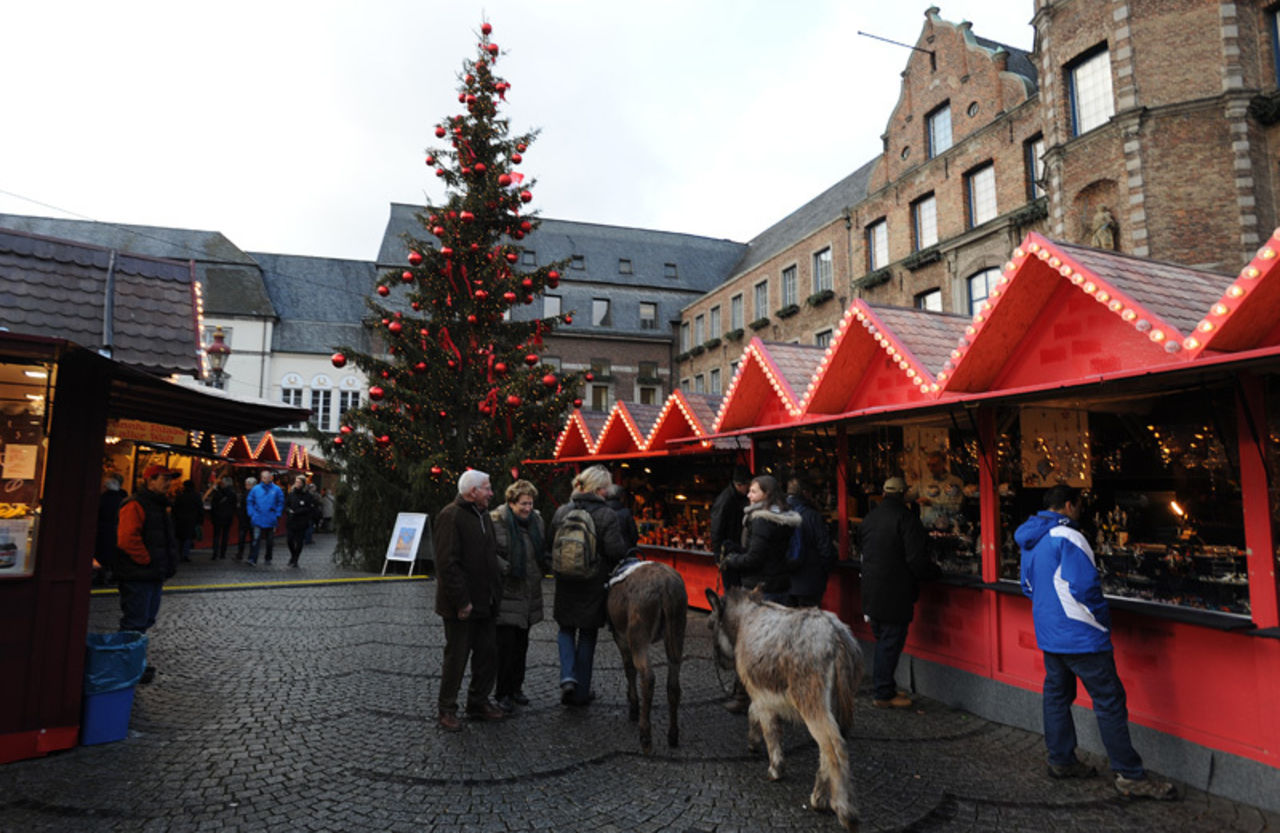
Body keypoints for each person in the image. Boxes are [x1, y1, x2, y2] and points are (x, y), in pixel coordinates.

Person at [1017, 485, 1177, 799]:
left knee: (1056, 697)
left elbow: (1027, 586)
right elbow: (1086, 587)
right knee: (1109, 702)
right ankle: (1130, 775)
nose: (1081, 510)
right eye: (1079, 505)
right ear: (1068, 505)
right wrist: (1100, 620)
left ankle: (1061, 760)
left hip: (1050, 633)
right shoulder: (1070, 536)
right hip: (1081, 634)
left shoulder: (1030, 539)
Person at [719, 474, 801, 713]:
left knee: (749, 646)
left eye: (754, 491)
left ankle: (744, 697)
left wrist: (733, 560)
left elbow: (756, 558)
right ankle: (777, 695)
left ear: (766, 494)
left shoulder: (761, 520)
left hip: (760, 588)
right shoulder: (784, 518)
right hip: (780, 585)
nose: (748, 494)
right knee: (776, 646)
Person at [550, 465, 627, 707]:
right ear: (600, 489)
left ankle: (567, 676)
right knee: (586, 635)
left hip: (564, 581)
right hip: (593, 582)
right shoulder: (606, 515)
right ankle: (581, 692)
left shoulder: (562, 511)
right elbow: (615, 551)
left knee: (565, 629)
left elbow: (548, 546)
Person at [434, 469, 505, 730]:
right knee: (457, 657)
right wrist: (461, 601)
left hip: (486, 601)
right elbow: (447, 563)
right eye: (487, 488)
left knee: (487, 654)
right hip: (461, 605)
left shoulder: (483, 515)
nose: (491, 492)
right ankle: (447, 709)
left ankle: (478, 701)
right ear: (473, 491)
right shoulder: (450, 516)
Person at [859, 476, 938, 709]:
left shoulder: (870, 518)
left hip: (871, 591)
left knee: (883, 641)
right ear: (903, 494)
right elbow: (916, 560)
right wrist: (934, 572)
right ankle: (883, 693)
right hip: (895, 592)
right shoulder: (906, 519)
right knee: (889, 643)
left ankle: (885, 688)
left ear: (884, 493)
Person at [115, 464, 180, 684]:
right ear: (150, 480)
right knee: (135, 621)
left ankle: (135, 663)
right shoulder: (135, 504)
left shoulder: (159, 505)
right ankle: (127, 666)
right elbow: (126, 539)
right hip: (139, 574)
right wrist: (147, 560)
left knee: (144, 620)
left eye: (169, 478)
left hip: (151, 574)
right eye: (164, 478)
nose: (168, 482)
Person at [490, 479, 548, 712]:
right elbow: (489, 553)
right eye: (523, 504)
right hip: (507, 593)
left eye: (530, 503)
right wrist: (505, 568)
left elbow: (539, 552)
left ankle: (517, 688)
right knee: (505, 647)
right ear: (511, 503)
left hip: (529, 593)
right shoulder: (497, 522)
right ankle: (502, 691)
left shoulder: (537, 521)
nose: (527, 508)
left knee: (522, 645)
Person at [784, 474, 835, 607]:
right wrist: (823, 573)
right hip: (810, 583)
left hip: (785, 582)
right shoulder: (812, 516)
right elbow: (826, 550)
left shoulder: (779, 513)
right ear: (805, 493)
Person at [709, 465, 752, 586]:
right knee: (732, 588)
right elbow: (716, 529)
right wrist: (718, 556)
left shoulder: (737, 497)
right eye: (748, 485)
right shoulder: (725, 500)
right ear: (739, 485)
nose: (749, 490)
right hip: (729, 551)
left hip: (735, 550)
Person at [908, 450, 965, 530]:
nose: (930, 469)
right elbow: (908, 496)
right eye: (929, 465)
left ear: (944, 463)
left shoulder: (955, 482)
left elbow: (956, 507)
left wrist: (932, 503)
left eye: (934, 465)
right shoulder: (923, 482)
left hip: (949, 529)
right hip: (927, 528)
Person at [246, 470, 285, 566]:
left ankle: (268, 558)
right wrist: (251, 513)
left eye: (268, 477)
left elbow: (281, 502)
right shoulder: (256, 489)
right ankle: (253, 559)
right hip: (258, 518)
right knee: (256, 539)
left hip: (270, 518)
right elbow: (250, 502)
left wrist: (277, 514)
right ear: (261, 478)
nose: (266, 479)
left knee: (269, 541)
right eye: (264, 477)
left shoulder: (277, 489)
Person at [94, 473, 127, 585]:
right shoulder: (122, 500)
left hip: (102, 529)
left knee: (101, 554)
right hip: (117, 529)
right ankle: (113, 574)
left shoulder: (102, 499)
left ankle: (101, 575)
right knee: (114, 554)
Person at [284, 475, 319, 568]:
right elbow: (286, 505)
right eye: (296, 482)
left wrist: (299, 511)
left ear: (303, 484)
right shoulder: (291, 494)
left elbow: (309, 508)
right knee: (289, 540)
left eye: (299, 482)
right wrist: (288, 511)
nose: (297, 484)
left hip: (301, 521)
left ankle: (295, 559)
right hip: (291, 521)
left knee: (299, 541)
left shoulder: (307, 496)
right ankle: (293, 555)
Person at [205, 476, 238, 560]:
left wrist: (213, 516)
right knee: (225, 536)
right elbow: (234, 506)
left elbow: (213, 506)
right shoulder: (233, 494)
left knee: (216, 536)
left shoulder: (217, 493)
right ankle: (223, 553)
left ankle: (215, 553)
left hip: (217, 517)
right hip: (228, 517)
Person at [171, 479, 203, 564]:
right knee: (187, 538)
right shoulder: (196, 496)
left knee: (179, 538)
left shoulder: (180, 496)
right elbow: (200, 508)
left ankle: (178, 554)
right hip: (191, 520)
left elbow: (174, 508)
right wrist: (200, 520)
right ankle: (185, 555)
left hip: (180, 520)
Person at [604, 483, 639, 553]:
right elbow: (634, 536)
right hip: (625, 552)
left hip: (606, 554)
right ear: (621, 497)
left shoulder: (602, 512)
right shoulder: (626, 513)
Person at [235, 475, 256, 560]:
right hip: (252, 519)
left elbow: (241, 507)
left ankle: (240, 554)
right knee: (253, 538)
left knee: (242, 537)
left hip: (245, 519)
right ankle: (251, 554)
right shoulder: (257, 494)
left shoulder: (246, 494)